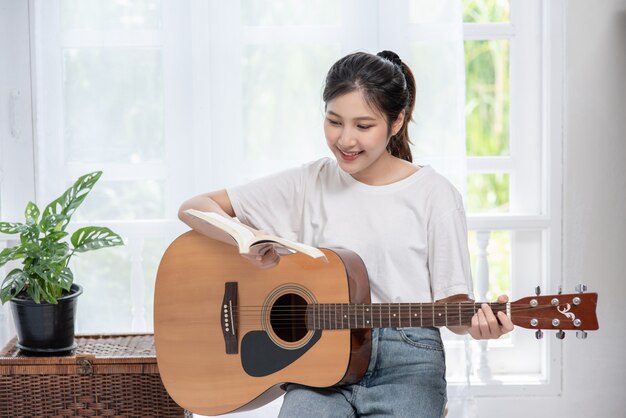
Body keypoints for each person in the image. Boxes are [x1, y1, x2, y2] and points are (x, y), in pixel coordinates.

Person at [179, 50, 514, 418]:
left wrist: (479, 324)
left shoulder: (435, 194)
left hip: (407, 362)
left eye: (363, 126)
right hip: (320, 361)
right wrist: (245, 238)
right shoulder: (310, 182)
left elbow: (452, 308)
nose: (345, 140)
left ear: (397, 121)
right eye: (334, 121)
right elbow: (195, 207)